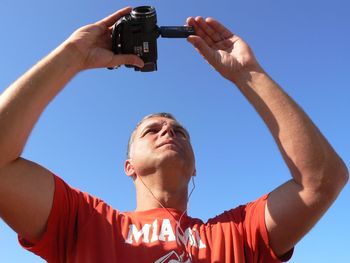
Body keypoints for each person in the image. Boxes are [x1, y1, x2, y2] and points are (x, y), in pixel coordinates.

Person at [0, 6, 348, 263]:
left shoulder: (237, 233)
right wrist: (72, 55)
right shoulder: (84, 222)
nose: (168, 130)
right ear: (128, 166)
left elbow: (323, 180)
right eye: (152, 129)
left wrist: (248, 73)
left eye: (179, 130)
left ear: (195, 168)